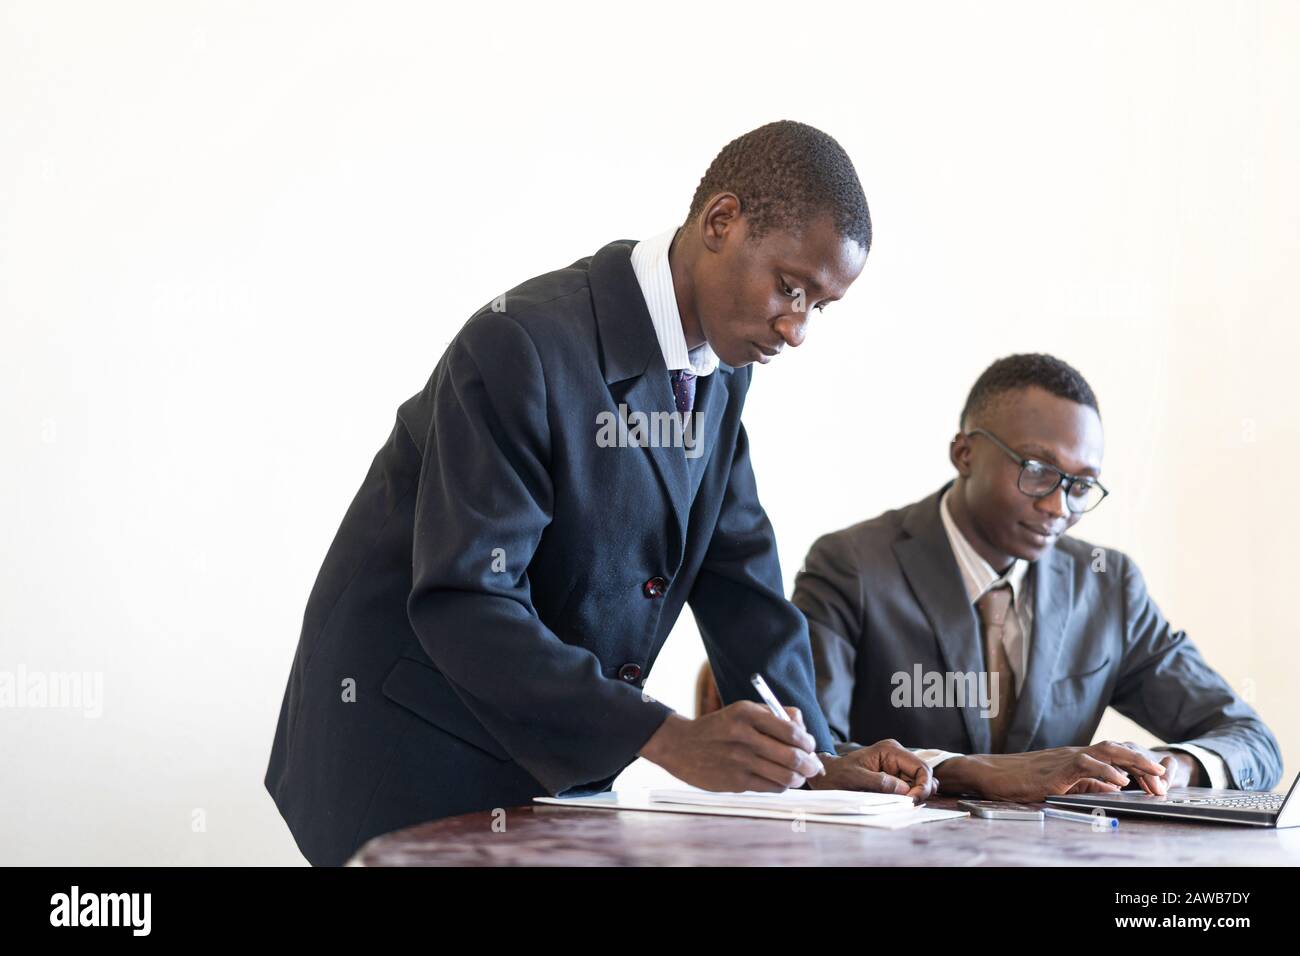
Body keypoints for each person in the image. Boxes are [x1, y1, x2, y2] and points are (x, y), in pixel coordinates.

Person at [265, 120, 935, 866]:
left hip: (546, 763)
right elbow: (468, 599)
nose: (798, 328)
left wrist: (815, 762)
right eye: (791, 287)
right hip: (409, 747)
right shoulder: (521, 344)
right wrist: (664, 735)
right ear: (721, 222)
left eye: (820, 306)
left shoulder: (721, 369)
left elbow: (738, 576)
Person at [788, 353, 1282, 801]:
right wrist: (972, 772)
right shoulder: (852, 564)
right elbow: (814, 755)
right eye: (1037, 470)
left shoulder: (1107, 586)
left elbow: (1250, 740)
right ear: (964, 454)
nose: (1057, 506)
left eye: (1081, 485)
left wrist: (1175, 765)